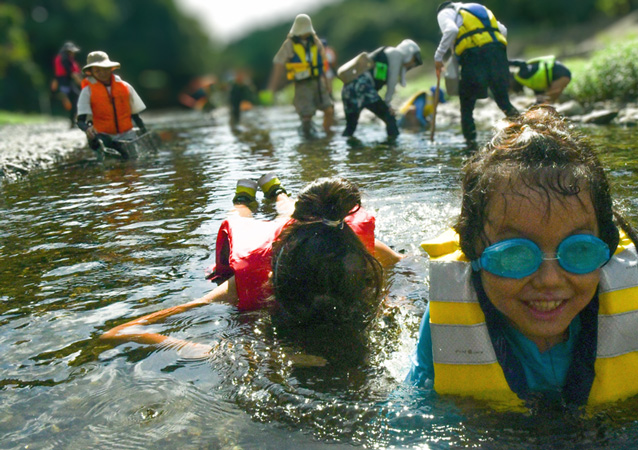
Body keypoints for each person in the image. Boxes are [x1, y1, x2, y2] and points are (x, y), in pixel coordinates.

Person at [407, 105, 638, 407]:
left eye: (579, 250)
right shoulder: (445, 324)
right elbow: (416, 405)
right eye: (514, 254)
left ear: (606, 249)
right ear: (474, 252)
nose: (549, 280)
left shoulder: (621, 304)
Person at [101, 176, 404, 357]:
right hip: (266, 239)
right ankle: (243, 196)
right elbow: (119, 332)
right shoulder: (256, 271)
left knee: (287, 210)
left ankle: (278, 192)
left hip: (306, 227)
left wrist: (392, 300)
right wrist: (219, 353)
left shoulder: (347, 250)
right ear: (276, 276)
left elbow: (404, 265)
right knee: (242, 218)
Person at [434, 2, 519, 148]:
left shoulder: (444, 12)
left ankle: (470, 145)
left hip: (474, 56)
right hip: (497, 53)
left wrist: (438, 57)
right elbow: (502, 30)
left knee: (467, 105)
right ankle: (523, 130)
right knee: (503, 101)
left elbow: (451, 30)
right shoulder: (479, 9)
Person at [267, 14, 334, 137]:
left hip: (318, 82)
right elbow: (279, 62)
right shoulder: (290, 44)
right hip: (302, 84)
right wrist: (273, 86)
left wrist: (328, 83)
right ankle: (307, 140)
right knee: (306, 115)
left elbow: (324, 63)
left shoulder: (315, 41)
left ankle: (327, 135)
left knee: (329, 110)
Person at [340, 39, 423, 139]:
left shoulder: (387, 53)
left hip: (348, 89)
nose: (412, 64)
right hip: (363, 88)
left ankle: (348, 151)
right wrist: (387, 104)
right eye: (414, 59)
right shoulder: (396, 54)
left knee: (350, 127)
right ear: (408, 53)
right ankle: (393, 148)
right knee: (390, 118)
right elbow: (392, 82)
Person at [76, 51, 147, 158]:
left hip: (127, 134)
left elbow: (135, 115)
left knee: (132, 161)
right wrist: (87, 129)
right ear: (90, 72)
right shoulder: (87, 91)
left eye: (105, 69)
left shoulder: (125, 87)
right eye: (97, 71)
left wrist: (143, 131)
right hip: (103, 136)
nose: (102, 73)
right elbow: (80, 121)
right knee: (112, 159)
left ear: (111, 68)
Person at [52, 41, 83, 127]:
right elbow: (70, 72)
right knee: (75, 99)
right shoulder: (65, 59)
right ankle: (73, 121)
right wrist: (79, 81)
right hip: (65, 82)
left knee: (74, 99)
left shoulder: (60, 57)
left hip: (63, 82)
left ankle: (72, 121)